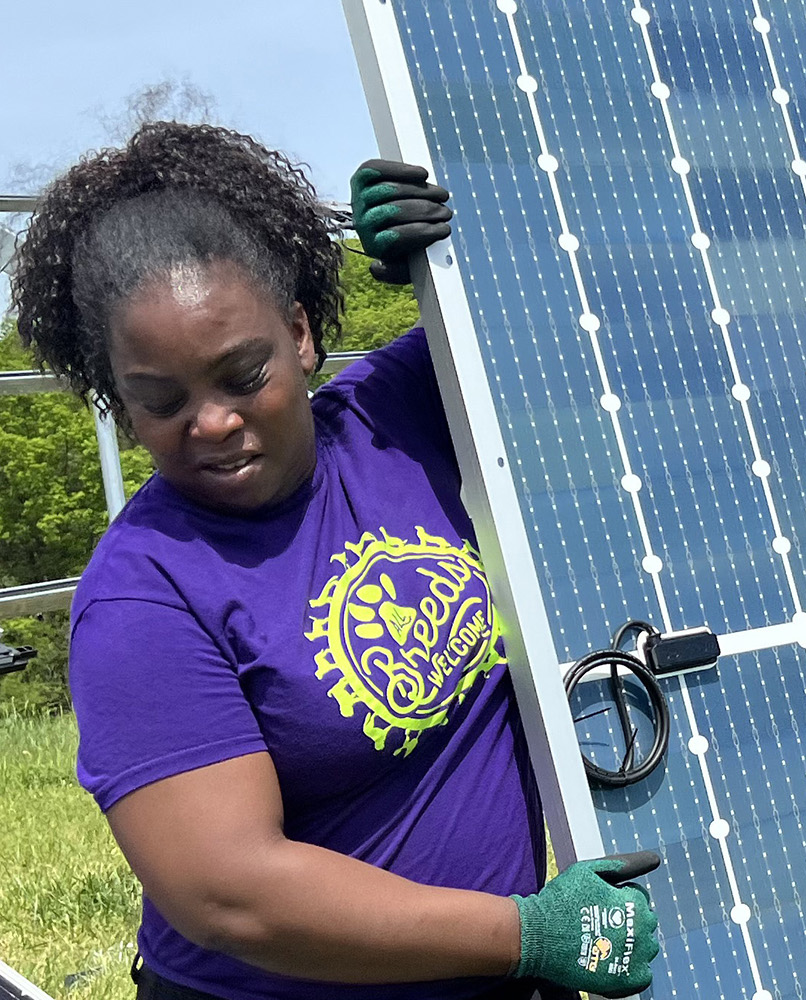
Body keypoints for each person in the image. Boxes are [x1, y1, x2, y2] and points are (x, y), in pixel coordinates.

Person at [11, 121, 660, 1000]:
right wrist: (529, 933)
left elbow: (579, 286)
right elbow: (230, 894)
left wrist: (444, 260)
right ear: (121, 407)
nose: (212, 422)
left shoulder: (396, 416)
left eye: (243, 375)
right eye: (160, 401)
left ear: (301, 332)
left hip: (497, 975)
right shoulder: (142, 596)